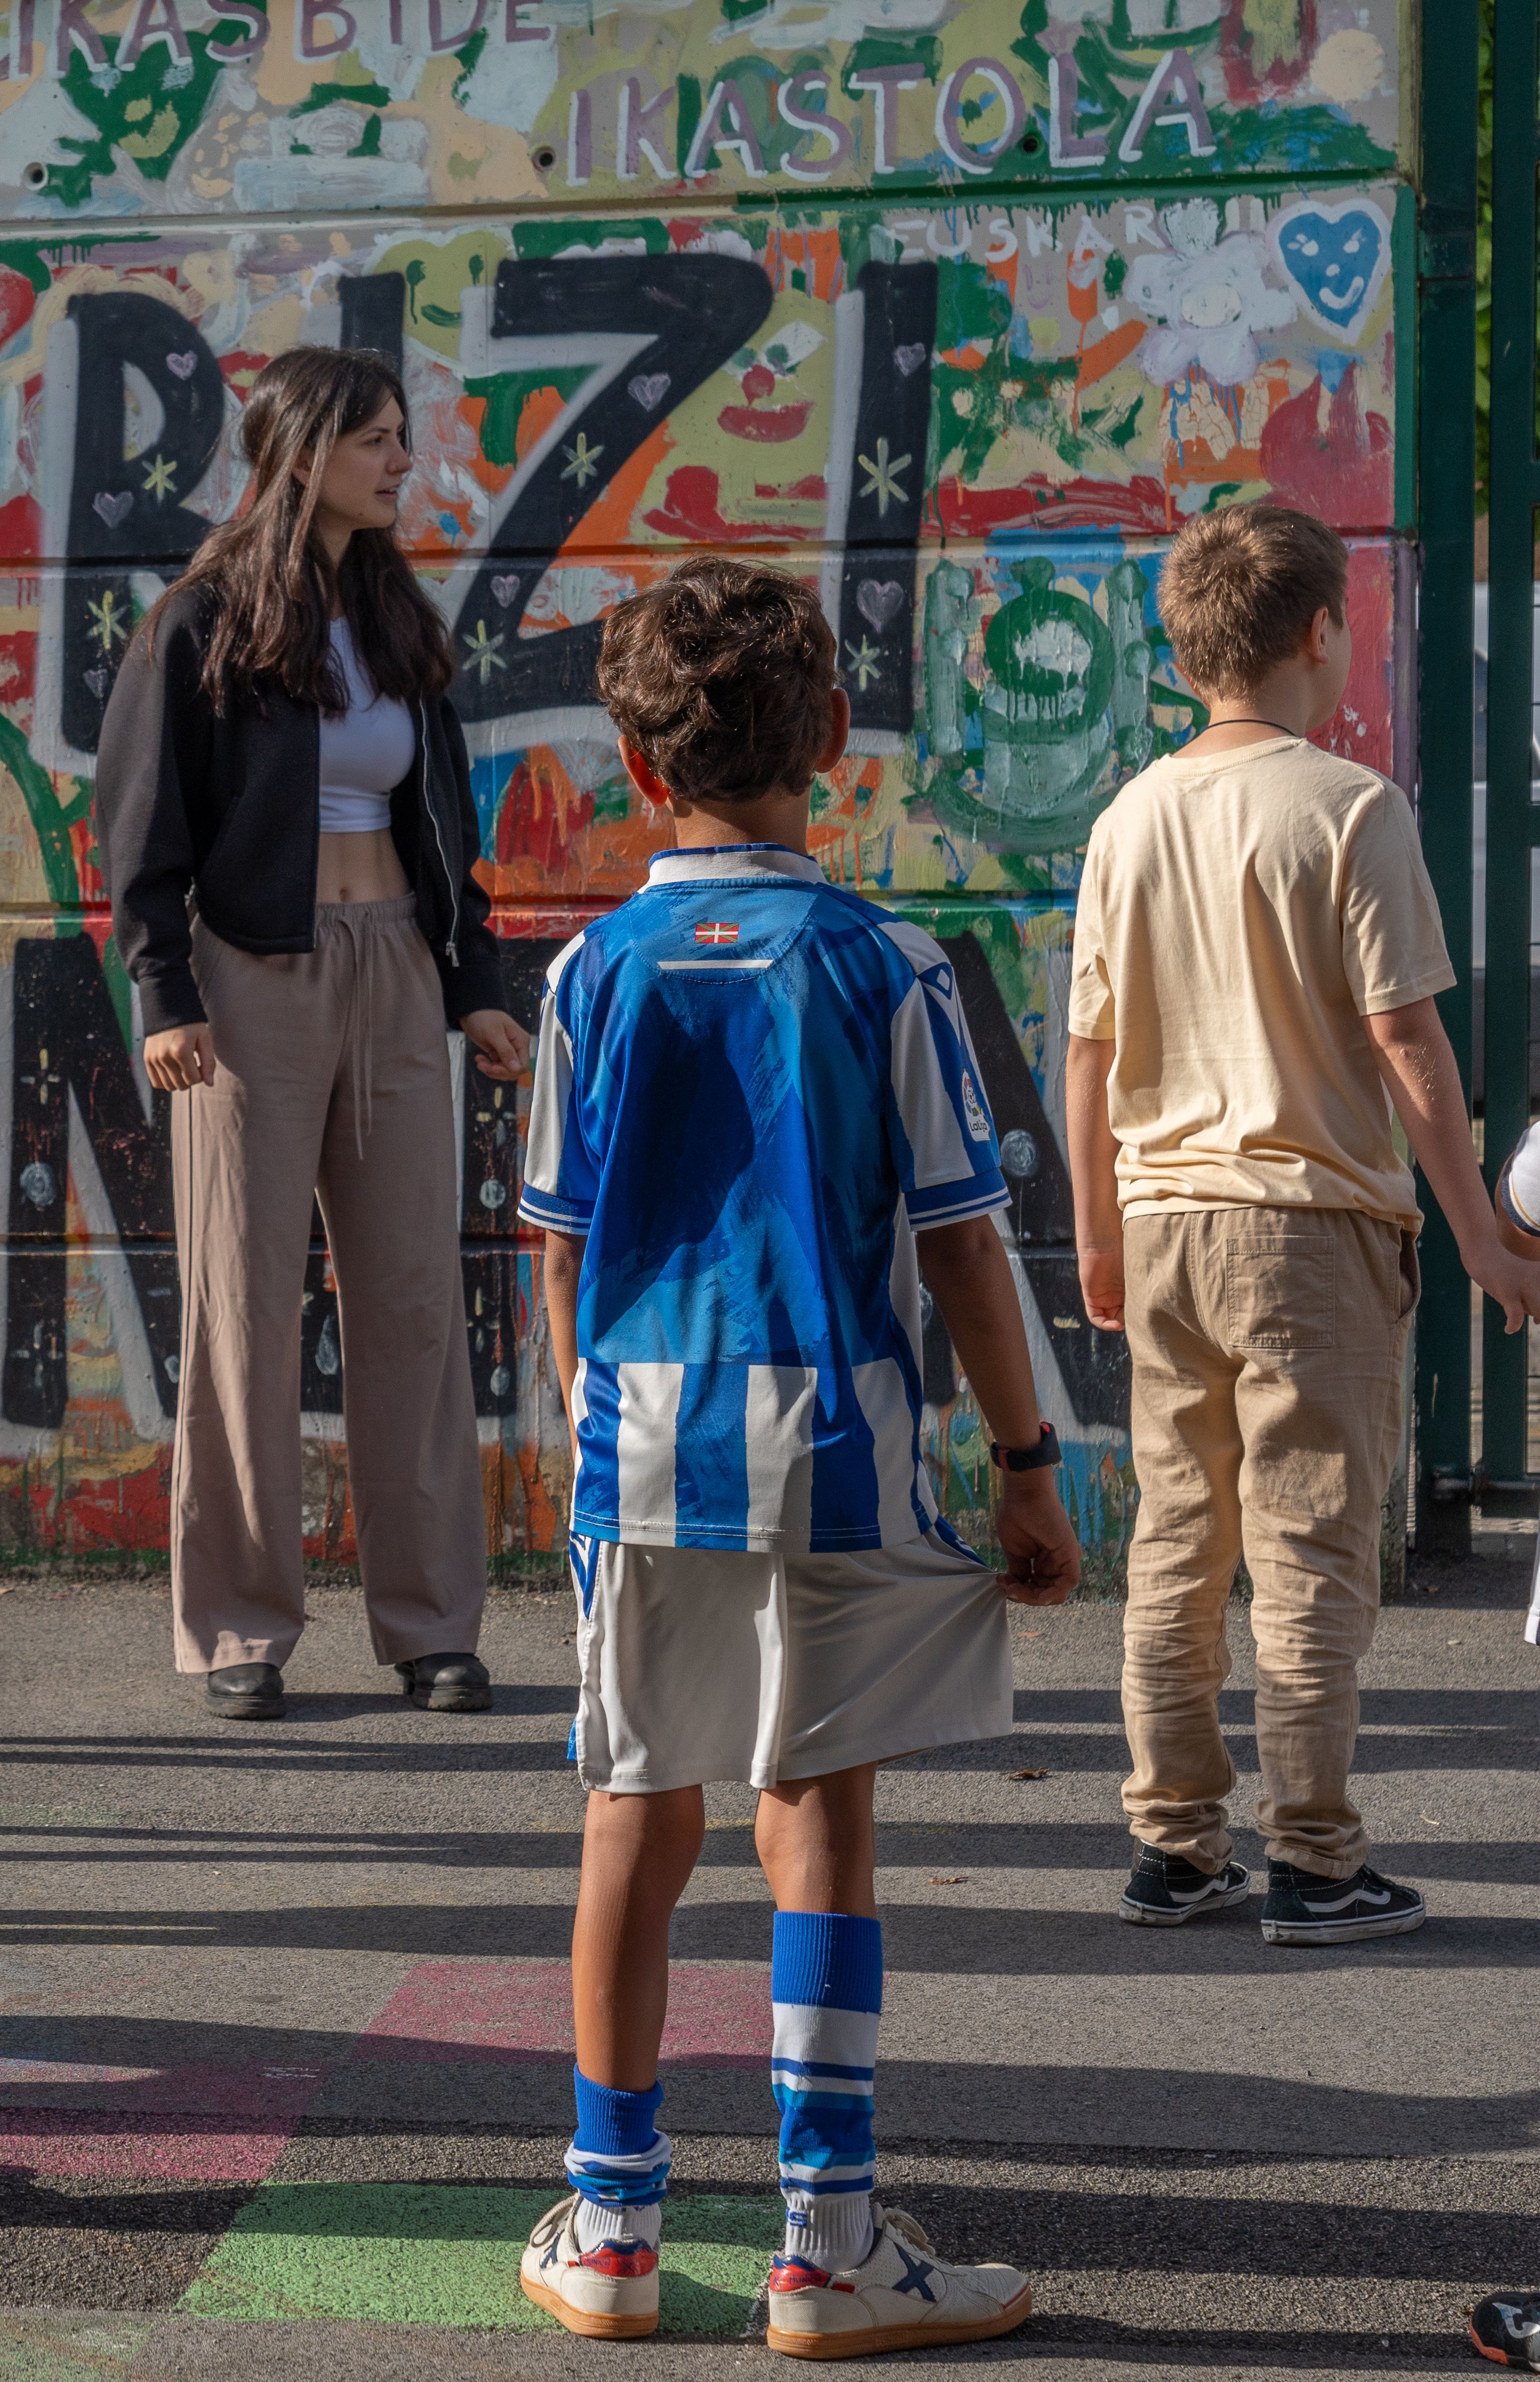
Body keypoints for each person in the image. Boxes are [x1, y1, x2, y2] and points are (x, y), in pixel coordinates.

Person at [512, 559, 1081, 2354]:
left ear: (625, 754)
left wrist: (590, 1450)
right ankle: (824, 2242)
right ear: (827, 740)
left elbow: (551, 1243)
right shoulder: (882, 964)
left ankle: (607, 2226)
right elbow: (964, 1243)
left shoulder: (587, 973)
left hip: (642, 1438)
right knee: (814, 1810)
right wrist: (1020, 1459)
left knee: (634, 1816)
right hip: (829, 1434)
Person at [1067, 500, 1540, 1947]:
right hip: (1307, 1222)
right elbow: (1405, 1043)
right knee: (1309, 1540)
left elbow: (1084, 1049)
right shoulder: (1346, 807)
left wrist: (1095, 1227)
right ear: (1318, 632)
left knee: (1175, 1533)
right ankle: (1317, 1856)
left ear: (1181, 640)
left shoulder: (1129, 812)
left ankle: (1171, 1842)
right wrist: (1475, 1227)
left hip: (1159, 1220)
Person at [93, 344, 526, 1723]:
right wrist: (163, 995)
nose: (403, 461)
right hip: (247, 985)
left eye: (401, 438)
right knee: (242, 1311)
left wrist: (475, 982)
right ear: (301, 454)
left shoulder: (397, 619)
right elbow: (142, 831)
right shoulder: (198, 622)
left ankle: (429, 1627)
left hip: (394, 963)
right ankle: (238, 1629)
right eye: (378, 441)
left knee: (411, 1302)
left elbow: (443, 820)